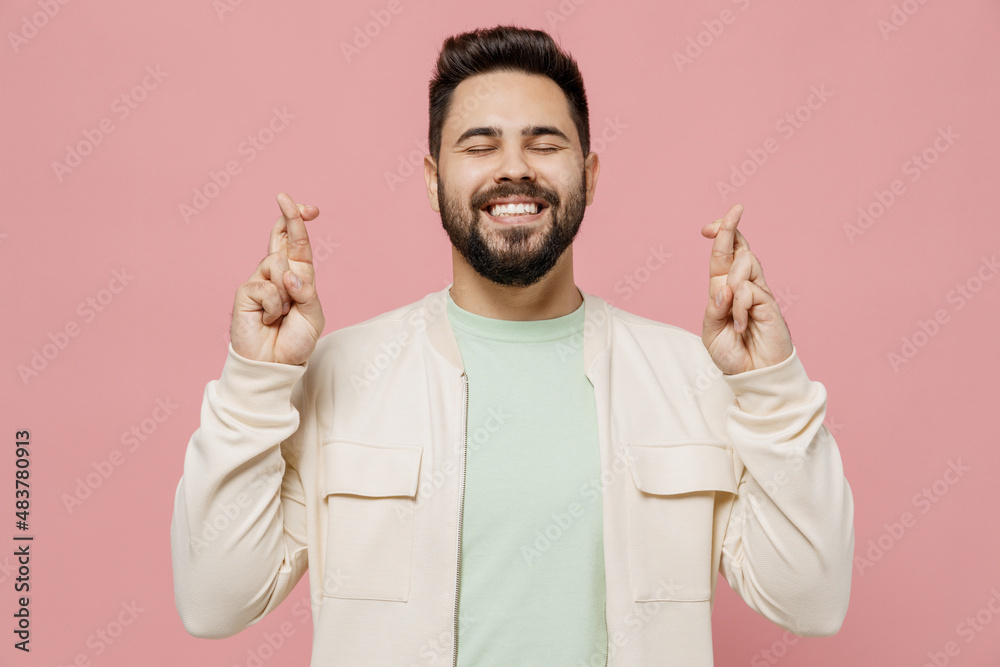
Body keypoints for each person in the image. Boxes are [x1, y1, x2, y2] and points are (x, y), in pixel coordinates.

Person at [170, 24, 854, 667]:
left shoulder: (691, 377)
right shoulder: (342, 374)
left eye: (545, 143)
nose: (514, 169)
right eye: (480, 145)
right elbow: (213, 600)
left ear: (589, 173)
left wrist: (770, 388)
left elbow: (813, 600)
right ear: (434, 176)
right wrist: (256, 379)